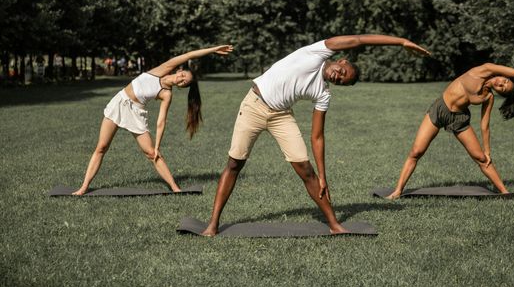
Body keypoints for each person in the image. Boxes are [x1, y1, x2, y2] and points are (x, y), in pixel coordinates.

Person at [202, 34, 431, 235]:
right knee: (234, 164)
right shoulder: (317, 52)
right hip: (254, 105)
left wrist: (323, 175)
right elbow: (359, 39)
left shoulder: (323, 93)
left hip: (281, 115)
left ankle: (334, 224)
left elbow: (317, 136)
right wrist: (401, 42)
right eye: (342, 71)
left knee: (307, 171)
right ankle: (212, 225)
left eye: (342, 81)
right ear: (341, 60)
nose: (338, 76)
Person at [72, 45, 234, 195]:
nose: (182, 79)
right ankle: (84, 187)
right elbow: (189, 54)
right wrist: (214, 50)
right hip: (119, 102)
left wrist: (157, 146)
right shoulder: (163, 69)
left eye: (185, 82)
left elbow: (161, 121)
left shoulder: (166, 93)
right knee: (101, 147)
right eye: (183, 75)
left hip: (136, 113)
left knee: (152, 153)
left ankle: (175, 188)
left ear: (182, 86)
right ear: (179, 71)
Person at [386, 63, 514, 199]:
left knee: (481, 158)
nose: (501, 84)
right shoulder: (484, 70)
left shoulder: (488, 97)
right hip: (440, 109)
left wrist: (487, 151)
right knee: (416, 151)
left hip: (459, 118)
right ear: (504, 76)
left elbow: (484, 125)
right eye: (505, 81)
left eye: (503, 89)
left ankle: (505, 192)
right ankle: (398, 190)